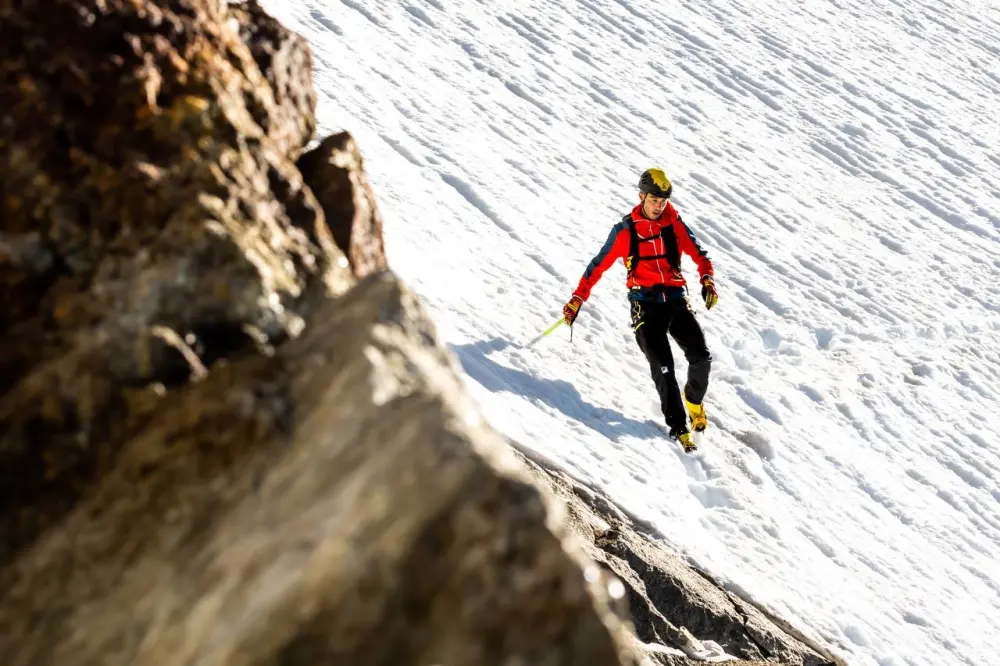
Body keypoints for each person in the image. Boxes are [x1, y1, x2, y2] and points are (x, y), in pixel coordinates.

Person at [562, 168, 718, 453]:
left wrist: (707, 280)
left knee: (701, 358)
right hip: (644, 305)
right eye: (655, 200)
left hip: (675, 299)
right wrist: (577, 299)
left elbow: (700, 255)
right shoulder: (625, 231)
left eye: (664, 201)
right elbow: (597, 266)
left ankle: (693, 400)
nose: (660, 206)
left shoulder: (675, 225)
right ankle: (678, 427)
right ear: (642, 197)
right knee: (664, 368)